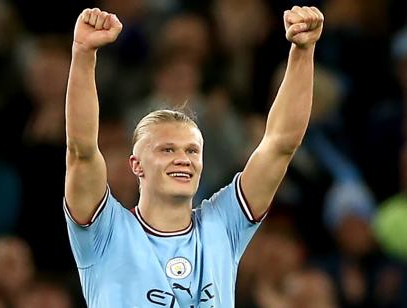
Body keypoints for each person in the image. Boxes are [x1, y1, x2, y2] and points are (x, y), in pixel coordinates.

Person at [63, 6, 323, 308]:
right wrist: (83, 53)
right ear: (136, 165)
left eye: (192, 150)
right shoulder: (105, 232)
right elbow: (81, 151)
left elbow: (280, 144)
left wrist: (303, 50)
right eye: (167, 149)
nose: (183, 158)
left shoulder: (223, 224)